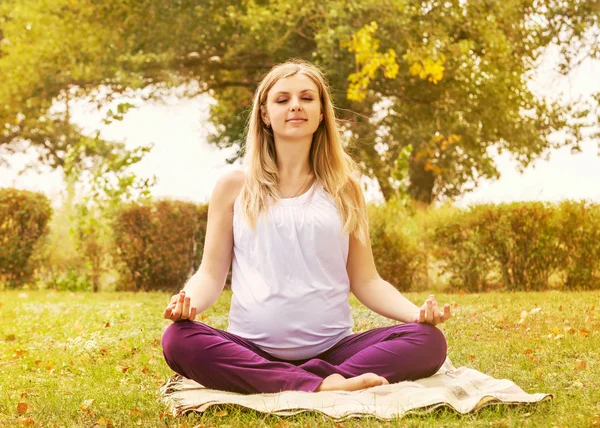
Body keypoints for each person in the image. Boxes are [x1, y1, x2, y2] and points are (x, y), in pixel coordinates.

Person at [161, 59, 451, 394]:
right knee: (179, 340)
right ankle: (323, 385)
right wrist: (188, 302)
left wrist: (415, 315)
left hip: (335, 352)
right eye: (282, 100)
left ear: (322, 113)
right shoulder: (233, 187)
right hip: (253, 349)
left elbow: (366, 280)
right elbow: (210, 275)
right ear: (265, 115)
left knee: (428, 341)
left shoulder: (345, 189)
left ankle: (300, 380)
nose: (295, 105)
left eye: (307, 98)